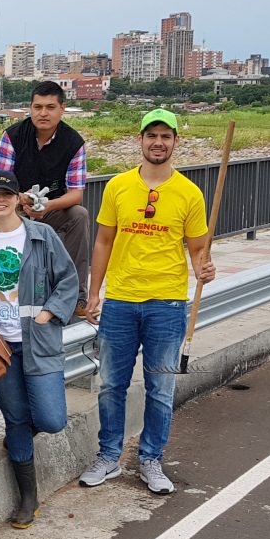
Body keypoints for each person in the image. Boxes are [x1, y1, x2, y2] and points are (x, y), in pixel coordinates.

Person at [79, 109, 216, 495]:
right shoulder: (118, 187)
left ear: (175, 142)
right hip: (120, 301)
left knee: (160, 388)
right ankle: (109, 456)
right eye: (152, 135)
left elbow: (197, 249)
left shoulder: (190, 193)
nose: (158, 142)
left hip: (167, 304)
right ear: (140, 140)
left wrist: (204, 267)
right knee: (111, 385)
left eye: (165, 136)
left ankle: (151, 458)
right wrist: (94, 292)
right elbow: (103, 241)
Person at [0, 172, 78, 528]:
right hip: (0, 347)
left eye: (7, 194)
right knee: (15, 419)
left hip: (39, 341)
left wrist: (49, 313)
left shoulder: (41, 235)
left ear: (18, 198)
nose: (0, 200)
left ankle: (20, 435)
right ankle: (27, 498)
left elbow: (68, 279)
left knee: (51, 419)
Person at [0, 81, 90, 315]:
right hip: (15, 207)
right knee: (1, 207)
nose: (43, 113)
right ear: (30, 108)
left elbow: (76, 194)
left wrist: (47, 206)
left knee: (79, 215)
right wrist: (20, 199)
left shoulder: (73, 143)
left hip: (51, 207)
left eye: (50, 107)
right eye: (37, 107)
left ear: (62, 108)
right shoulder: (13, 136)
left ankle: (76, 296)